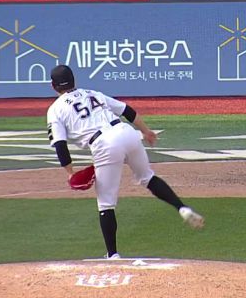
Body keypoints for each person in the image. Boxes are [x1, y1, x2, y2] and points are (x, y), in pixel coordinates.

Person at [46, 64, 204, 259]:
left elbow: (60, 144)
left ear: (53, 86)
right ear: (74, 80)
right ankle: (182, 208)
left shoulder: (55, 109)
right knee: (148, 178)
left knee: (106, 203)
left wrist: (70, 173)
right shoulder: (93, 93)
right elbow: (127, 110)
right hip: (127, 133)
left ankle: (112, 255)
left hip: (104, 143)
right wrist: (146, 131)